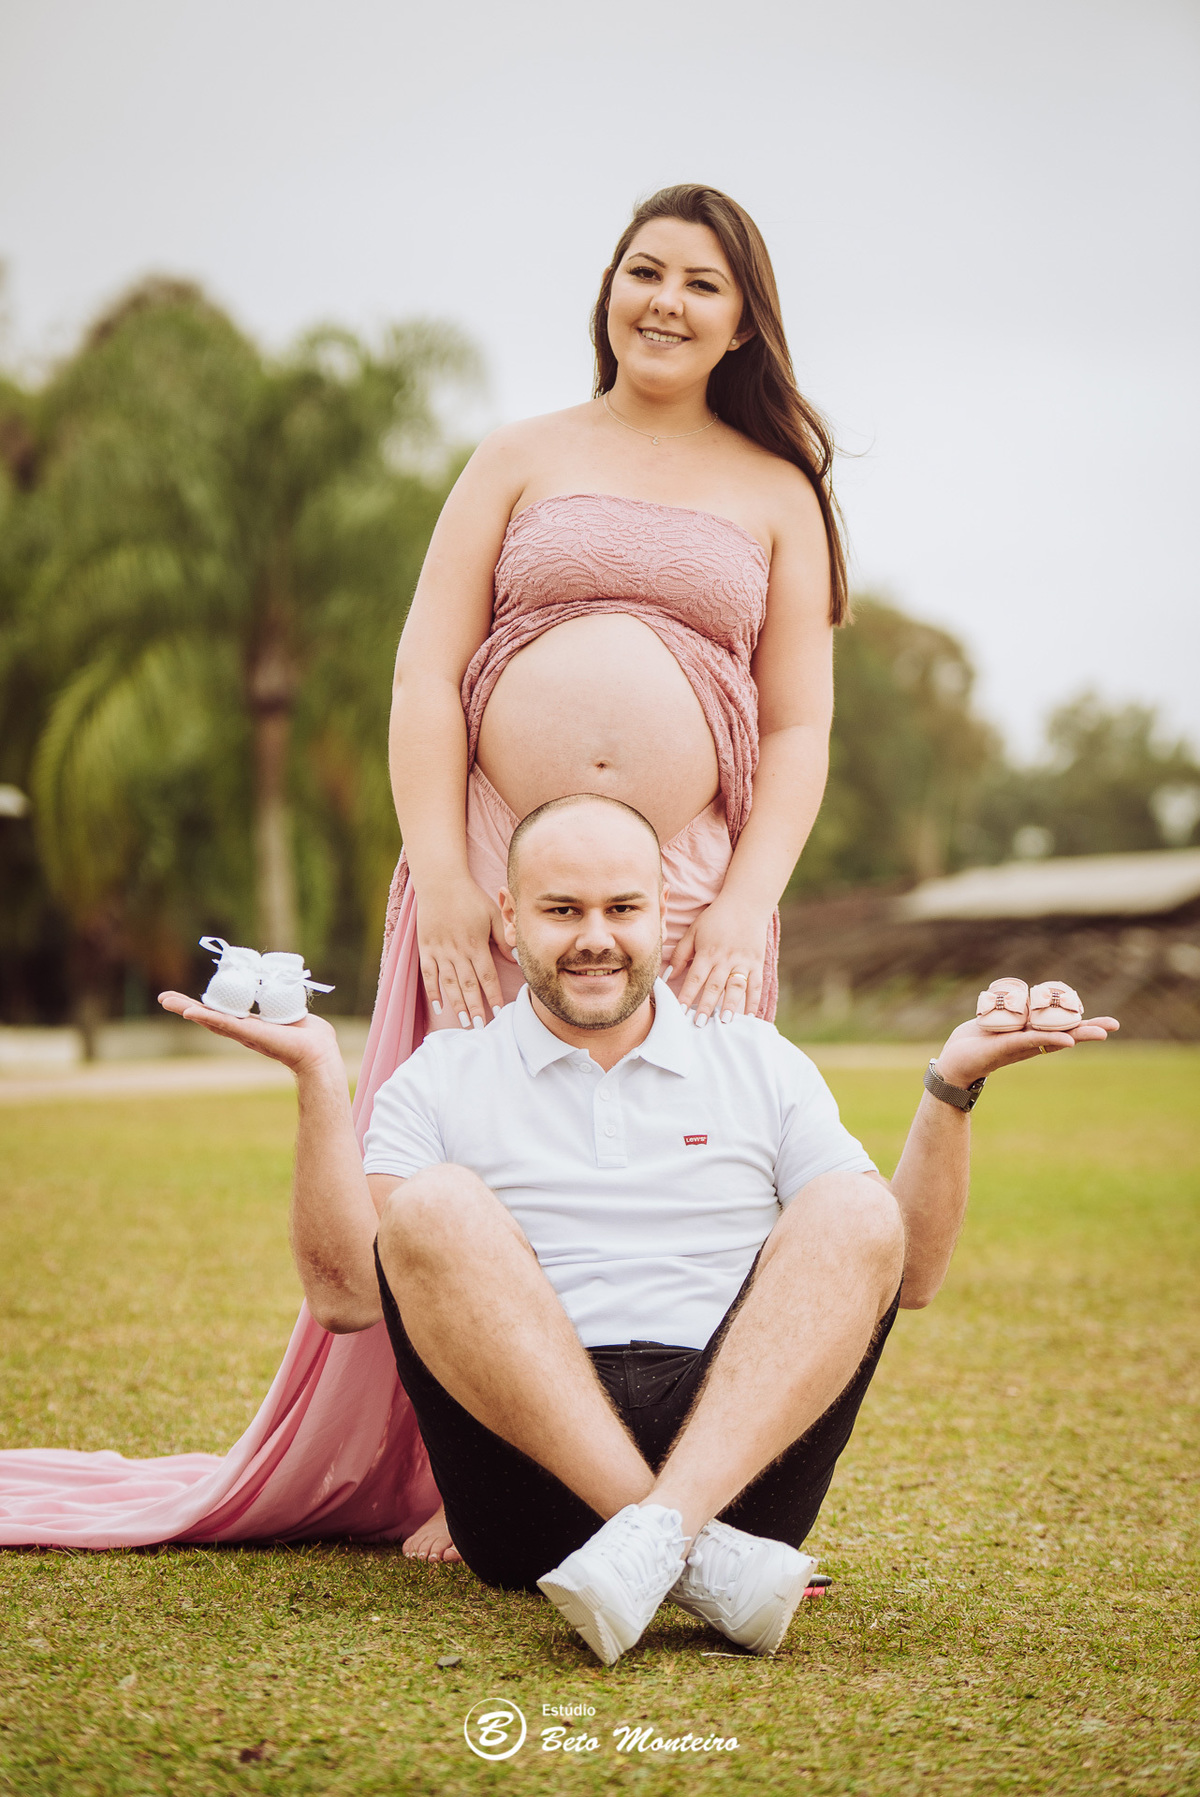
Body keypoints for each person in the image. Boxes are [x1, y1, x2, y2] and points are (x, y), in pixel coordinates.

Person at [0, 184, 850, 1555]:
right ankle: (483, 1478)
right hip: (491, 862)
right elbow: (424, 673)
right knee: (486, 1162)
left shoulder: (777, 493)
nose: (666, 302)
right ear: (608, 287)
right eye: (645, 271)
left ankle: (667, 1481)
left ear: (744, 321)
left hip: (689, 890)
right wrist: (446, 878)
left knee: (664, 1184)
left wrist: (749, 899)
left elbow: (800, 723)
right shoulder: (519, 455)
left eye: (703, 283)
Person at [159, 793, 1116, 1663]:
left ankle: (668, 1533)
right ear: (509, 917)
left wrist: (953, 1082)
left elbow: (905, 1270)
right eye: (562, 910)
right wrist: (319, 1077)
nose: (596, 938)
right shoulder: (440, 1076)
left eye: (623, 907)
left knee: (857, 1204)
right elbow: (344, 1297)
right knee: (431, 1203)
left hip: (744, 1463)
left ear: (665, 914)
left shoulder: (757, 1060)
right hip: (525, 1485)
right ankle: (699, 1557)